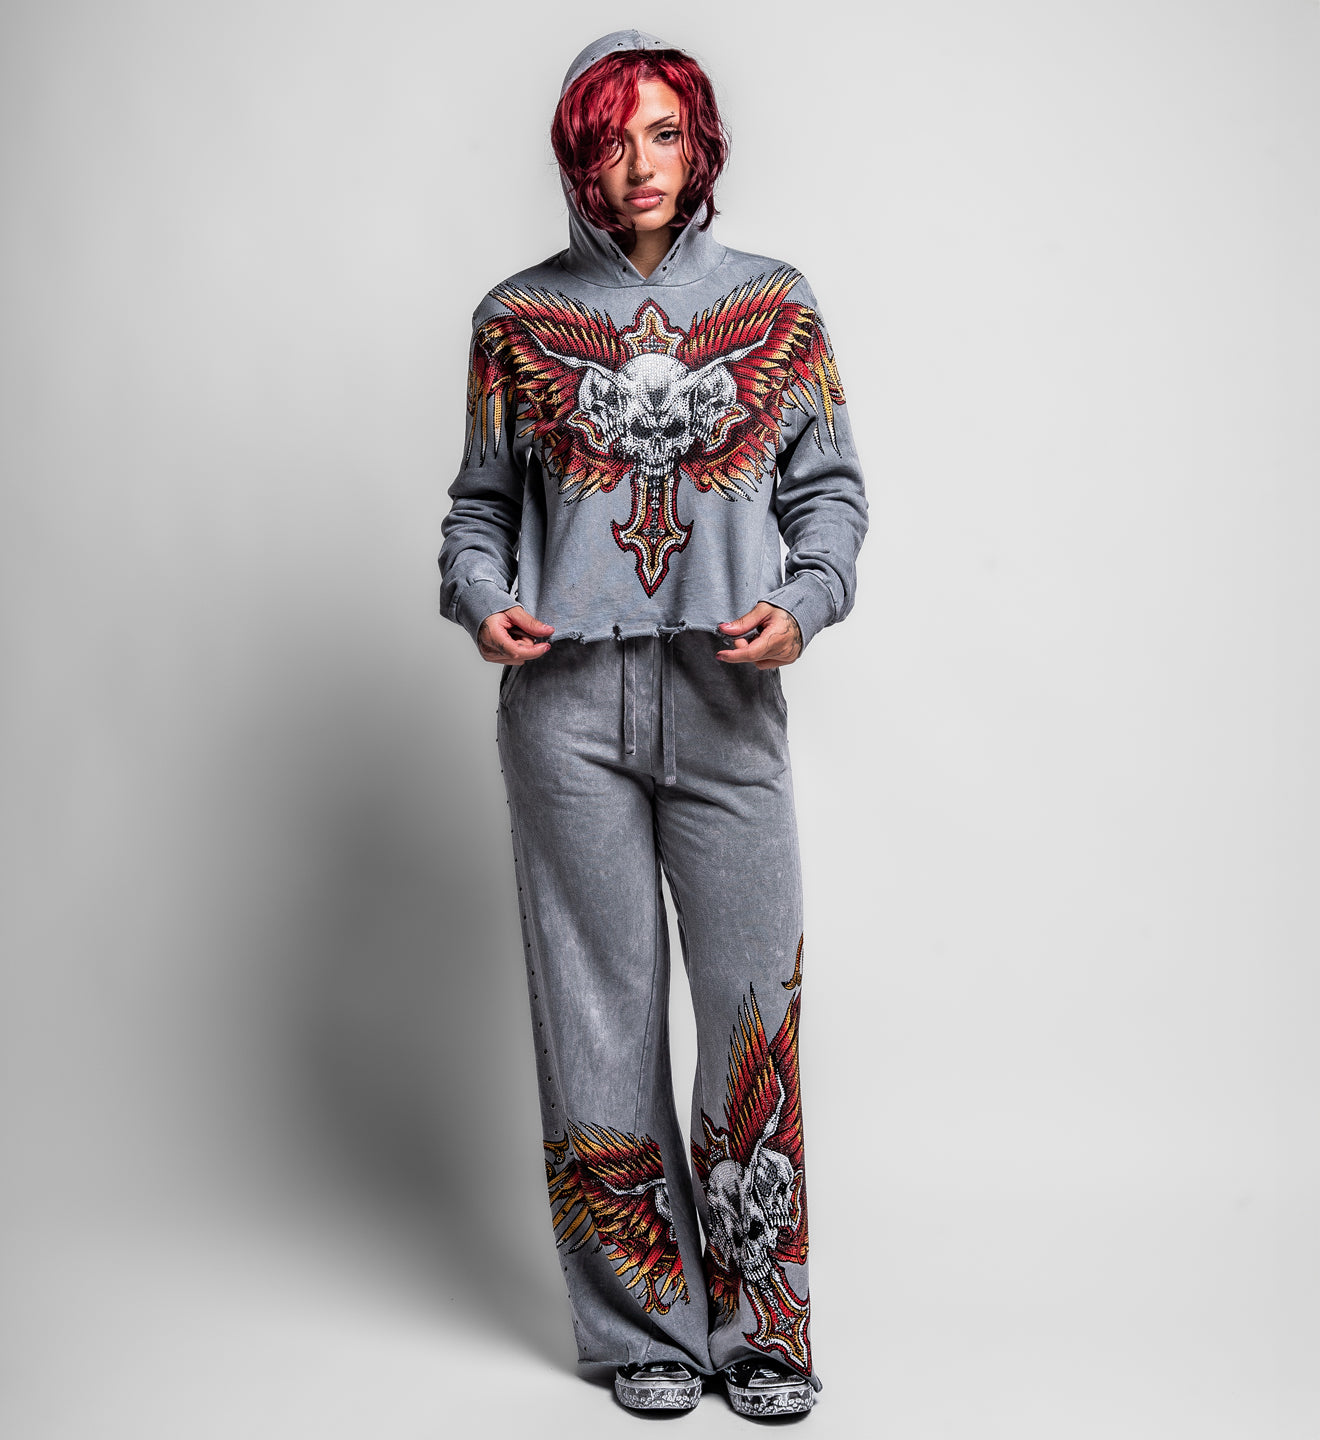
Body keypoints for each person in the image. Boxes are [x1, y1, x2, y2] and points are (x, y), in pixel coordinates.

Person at [438, 29, 868, 1419]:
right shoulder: (516, 320)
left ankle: (766, 1332)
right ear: (579, 152)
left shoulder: (774, 306)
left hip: (727, 698)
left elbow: (830, 494)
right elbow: (478, 510)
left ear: (701, 146)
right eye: (614, 137)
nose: (641, 164)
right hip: (565, 709)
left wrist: (804, 602)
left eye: (665, 133)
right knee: (595, 1014)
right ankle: (642, 1334)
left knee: (752, 1009)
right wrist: (482, 599)